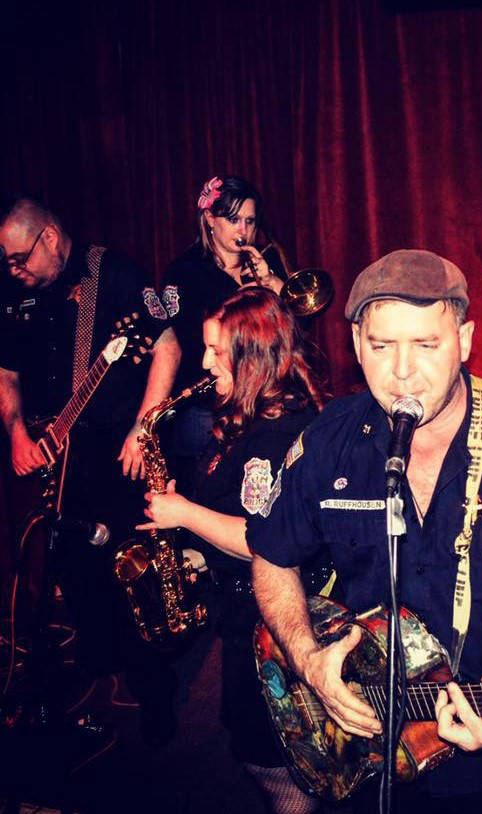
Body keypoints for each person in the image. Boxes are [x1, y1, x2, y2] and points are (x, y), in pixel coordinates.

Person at [248, 249, 482, 812]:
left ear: (464, 341)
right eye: (381, 346)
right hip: (372, 758)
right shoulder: (327, 440)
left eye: (425, 344)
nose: (402, 371)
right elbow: (272, 557)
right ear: (356, 345)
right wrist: (307, 660)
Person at [136, 287, 328, 813]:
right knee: (256, 748)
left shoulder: (281, 434)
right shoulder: (249, 417)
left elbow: (262, 540)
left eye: (216, 351)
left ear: (254, 358)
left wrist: (184, 514)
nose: (203, 363)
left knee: (272, 760)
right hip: (242, 610)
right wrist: (196, 556)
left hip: (272, 620)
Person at [0, 195, 181, 740]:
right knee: (76, 578)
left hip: (116, 457)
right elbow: (6, 374)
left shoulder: (114, 273)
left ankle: (157, 700)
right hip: (54, 462)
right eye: (6, 261)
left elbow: (168, 348)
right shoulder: (15, 294)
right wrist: (17, 433)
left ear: (51, 237)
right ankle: (100, 683)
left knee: (132, 576)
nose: (14, 269)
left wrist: (142, 427)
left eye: (20, 258)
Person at [163, 175, 291, 492]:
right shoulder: (185, 271)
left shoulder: (267, 261)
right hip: (209, 407)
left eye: (250, 221)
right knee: (211, 492)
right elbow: (192, 345)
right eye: (233, 220)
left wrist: (272, 282)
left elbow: (294, 328)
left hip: (263, 399)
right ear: (209, 219)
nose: (243, 230)